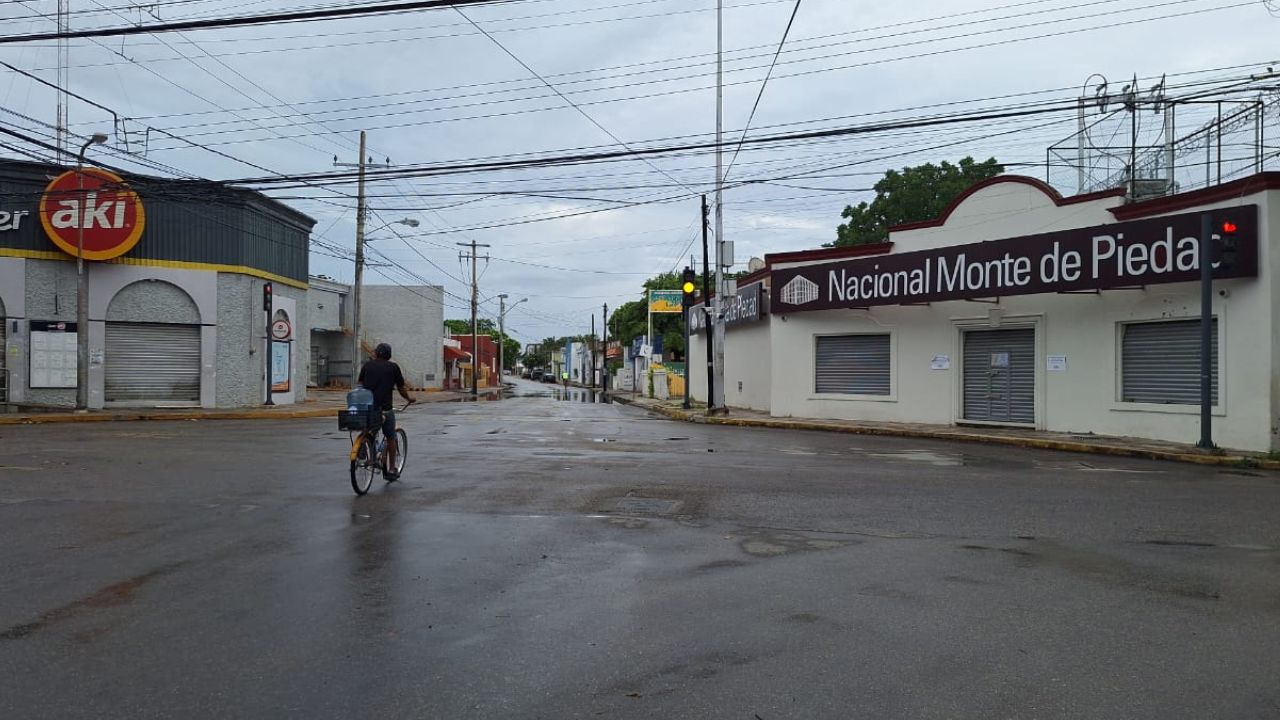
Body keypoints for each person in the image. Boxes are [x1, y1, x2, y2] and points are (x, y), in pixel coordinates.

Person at [357, 343, 415, 477]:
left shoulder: (367, 365)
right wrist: (409, 399)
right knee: (390, 436)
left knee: (369, 429)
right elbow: (401, 388)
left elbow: (360, 384)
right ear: (389, 355)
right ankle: (392, 468)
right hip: (385, 408)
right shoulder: (393, 367)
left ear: (376, 353)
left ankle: (364, 447)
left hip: (368, 407)